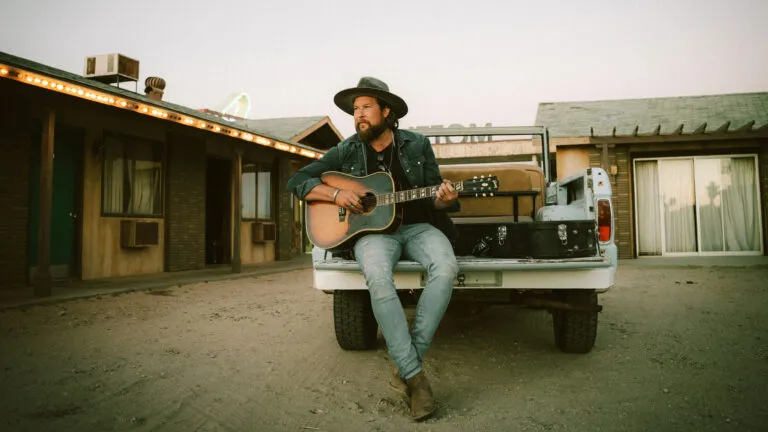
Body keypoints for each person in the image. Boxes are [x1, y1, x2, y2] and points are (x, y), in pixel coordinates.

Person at [287, 77, 460, 421]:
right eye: (355, 110)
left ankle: (405, 368)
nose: (359, 116)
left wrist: (445, 199)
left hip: (418, 227)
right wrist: (336, 195)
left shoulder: (417, 144)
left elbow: (434, 195)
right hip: (373, 234)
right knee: (378, 278)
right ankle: (416, 378)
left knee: (447, 268)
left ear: (387, 111)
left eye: (366, 107)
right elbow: (298, 182)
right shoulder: (347, 149)